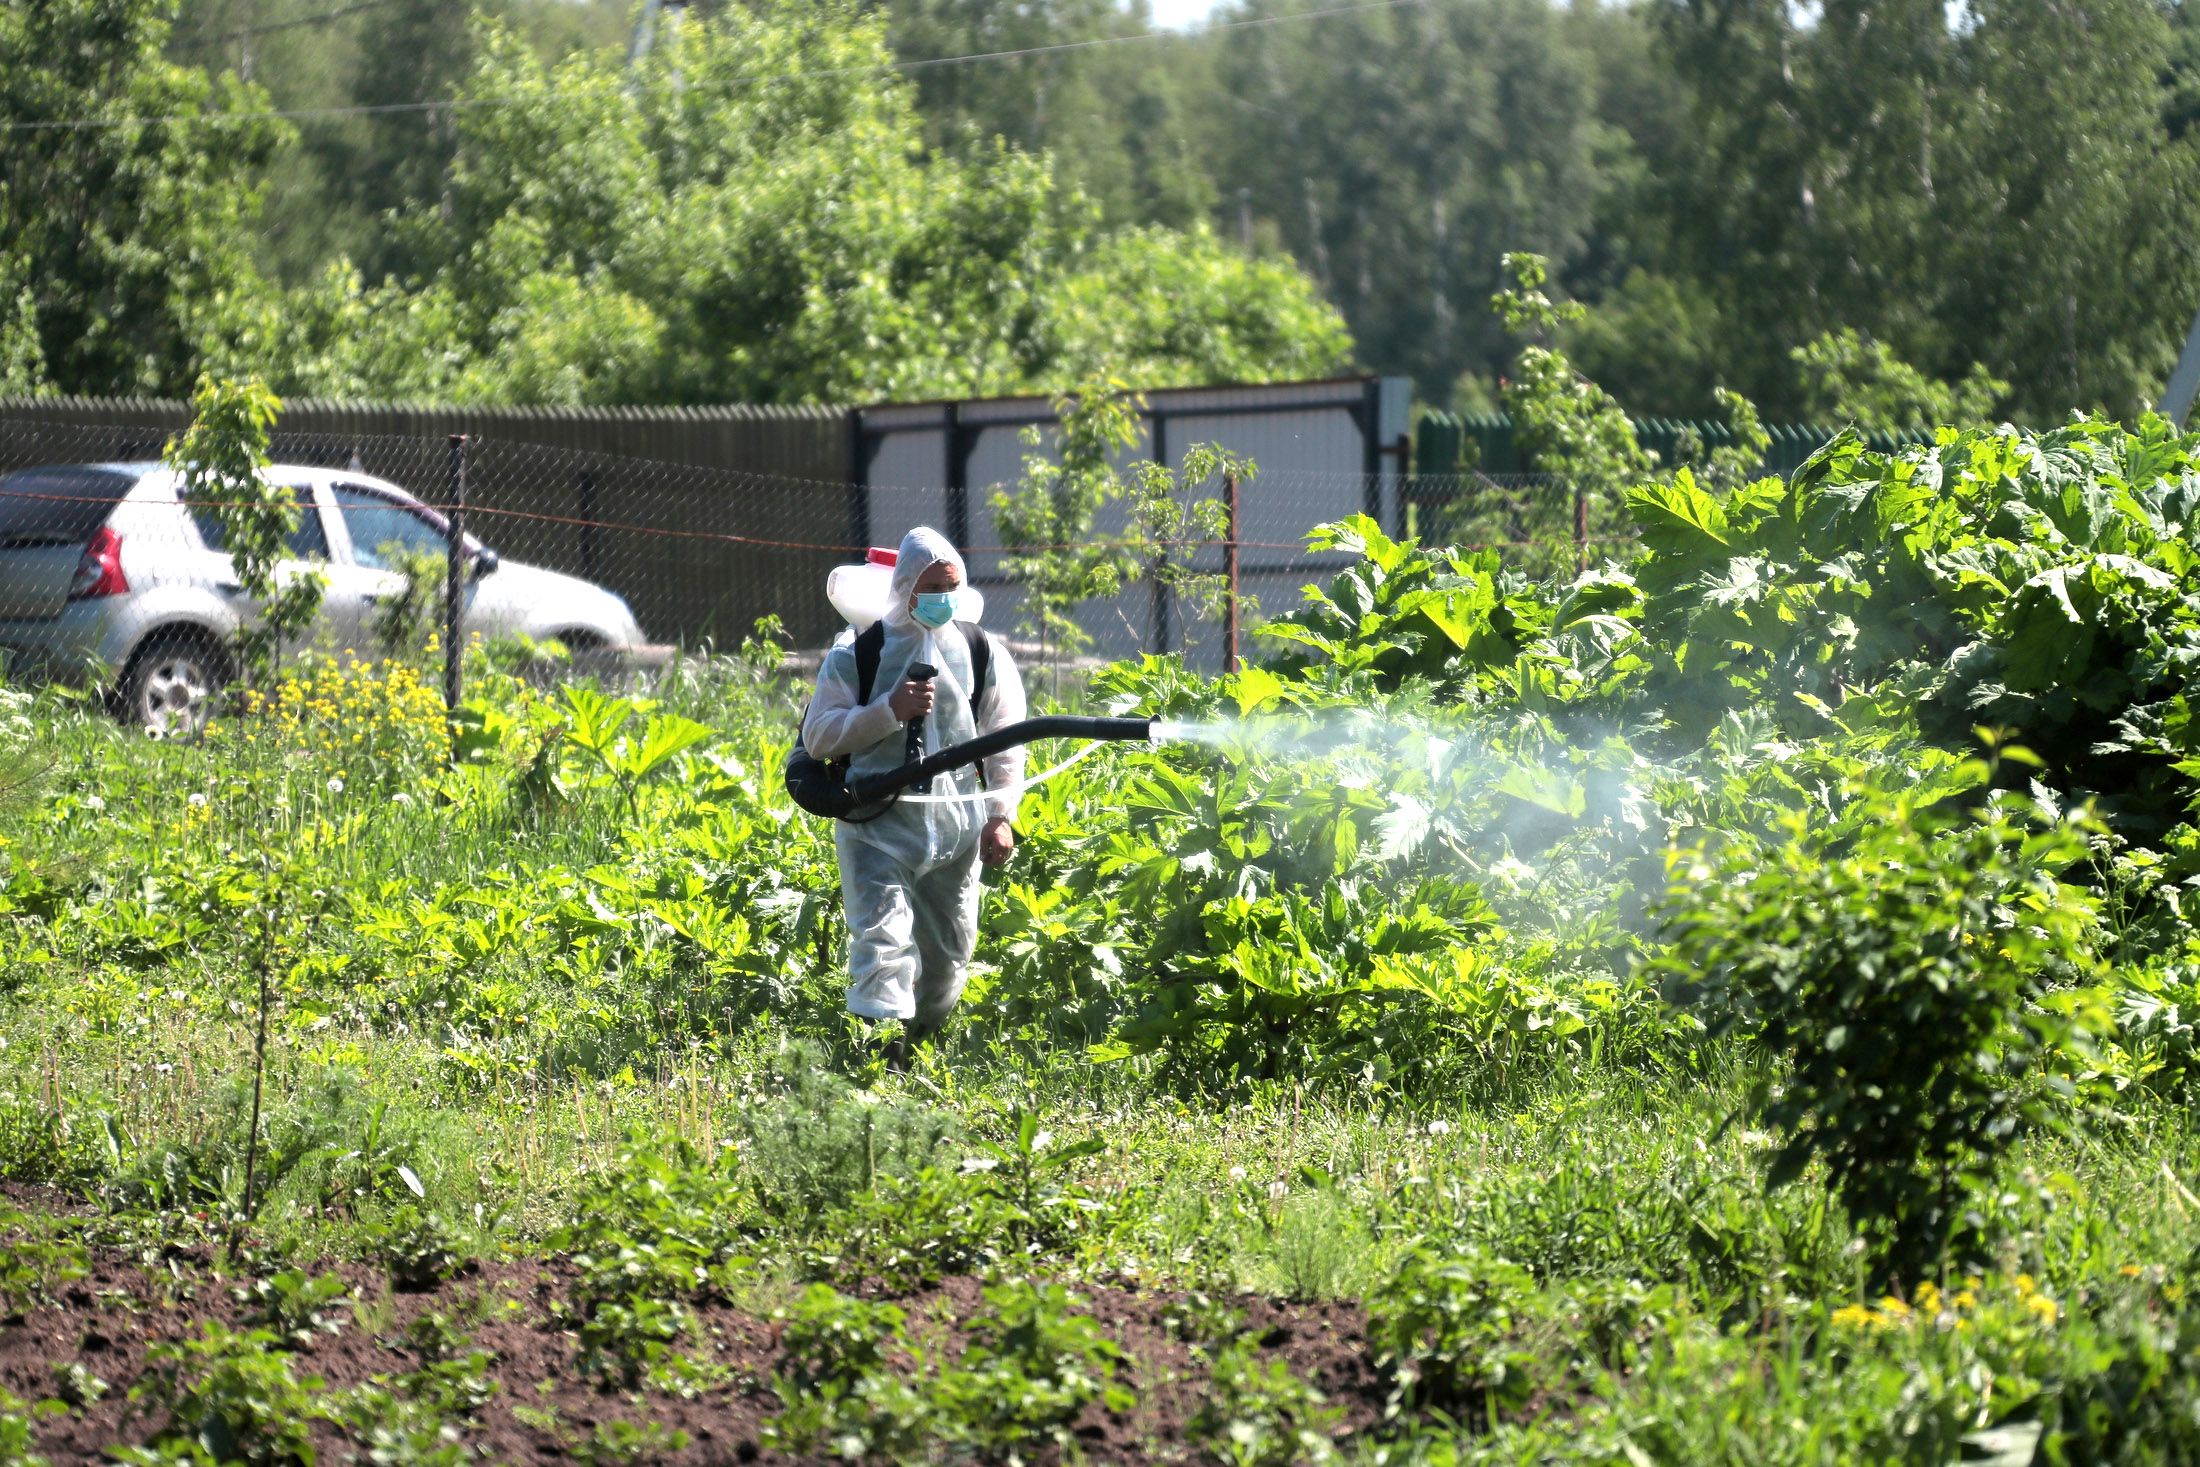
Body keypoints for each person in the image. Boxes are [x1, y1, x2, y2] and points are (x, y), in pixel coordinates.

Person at [802, 527, 1027, 1056]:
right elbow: (819, 737)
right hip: (877, 827)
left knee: (949, 954)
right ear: (904, 587)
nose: (941, 599)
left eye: (951, 586)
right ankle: (879, 1059)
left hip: (956, 830)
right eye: (930, 588)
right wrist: (888, 712)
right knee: (882, 943)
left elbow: (1006, 737)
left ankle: (918, 1043)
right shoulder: (857, 654)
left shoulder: (980, 651)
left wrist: (1000, 813)